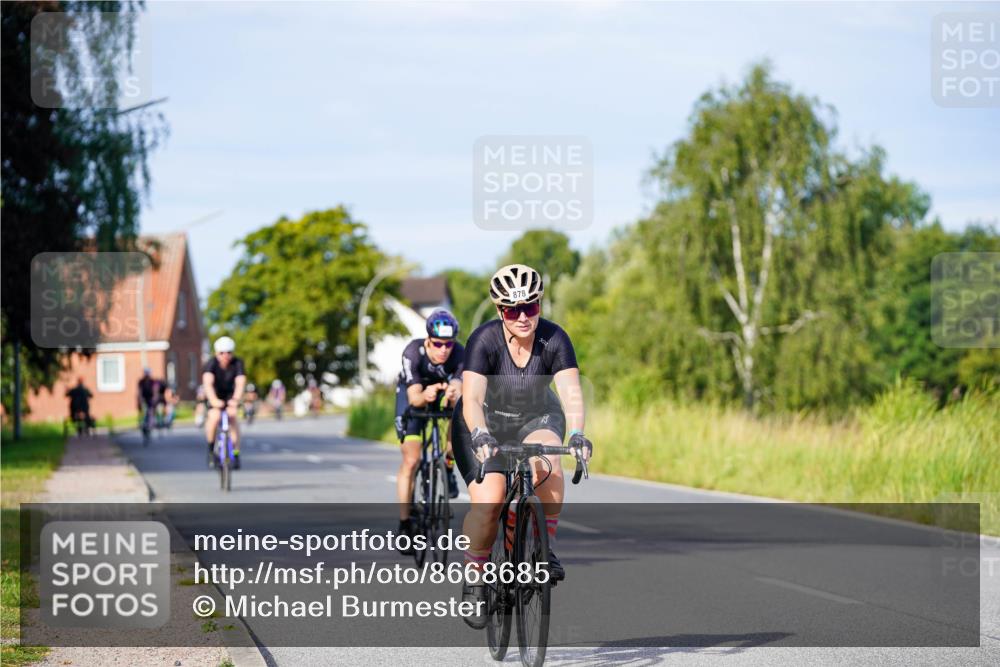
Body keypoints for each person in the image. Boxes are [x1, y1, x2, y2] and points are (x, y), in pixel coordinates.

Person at [451, 264, 592, 628]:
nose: (523, 316)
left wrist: (577, 433)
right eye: (513, 310)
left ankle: (544, 552)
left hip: (536, 417)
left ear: (540, 305)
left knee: (548, 462)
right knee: (491, 499)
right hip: (484, 421)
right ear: (500, 311)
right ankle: (476, 572)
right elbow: (472, 399)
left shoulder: (555, 339)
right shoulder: (484, 340)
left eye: (531, 307)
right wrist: (481, 433)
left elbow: (571, 393)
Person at [394, 309, 464, 549]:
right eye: (438, 344)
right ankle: (405, 524)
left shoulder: (460, 354)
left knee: (462, 412)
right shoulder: (413, 352)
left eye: (448, 344)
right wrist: (425, 394)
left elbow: (458, 385)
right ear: (428, 341)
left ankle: (448, 465)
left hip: (439, 394)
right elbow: (414, 398)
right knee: (411, 461)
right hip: (412, 395)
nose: (444, 349)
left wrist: (454, 392)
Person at [203, 336, 247, 469]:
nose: (225, 356)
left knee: (232, 416)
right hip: (215, 396)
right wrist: (213, 400)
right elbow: (208, 384)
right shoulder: (211, 364)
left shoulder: (237, 363)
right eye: (222, 353)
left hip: (230, 396)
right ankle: (211, 450)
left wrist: (236, 399)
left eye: (229, 352)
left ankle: (236, 452)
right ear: (217, 353)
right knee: (214, 417)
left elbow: (240, 383)